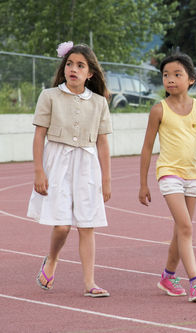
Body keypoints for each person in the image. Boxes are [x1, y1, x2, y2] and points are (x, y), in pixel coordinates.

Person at [27, 41, 112, 298]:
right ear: (64, 67)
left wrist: (106, 179)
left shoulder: (99, 102)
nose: (73, 69)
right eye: (70, 64)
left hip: (87, 165)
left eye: (80, 65)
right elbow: (39, 135)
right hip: (57, 163)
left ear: (90, 73)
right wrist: (39, 171)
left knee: (87, 225)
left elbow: (103, 142)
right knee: (62, 226)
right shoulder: (49, 96)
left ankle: (90, 283)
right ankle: (52, 259)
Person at [139, 52, 196, 302]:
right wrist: (143, 183)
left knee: (180, 230)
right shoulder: (158, 110)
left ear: (191, 79)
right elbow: (147, 147)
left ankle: (168, 276)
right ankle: (195, 281)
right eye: (165, 75)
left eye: (177, 74)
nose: (170, 79)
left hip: (194, 175)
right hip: (168, 173)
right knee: (185, 226)